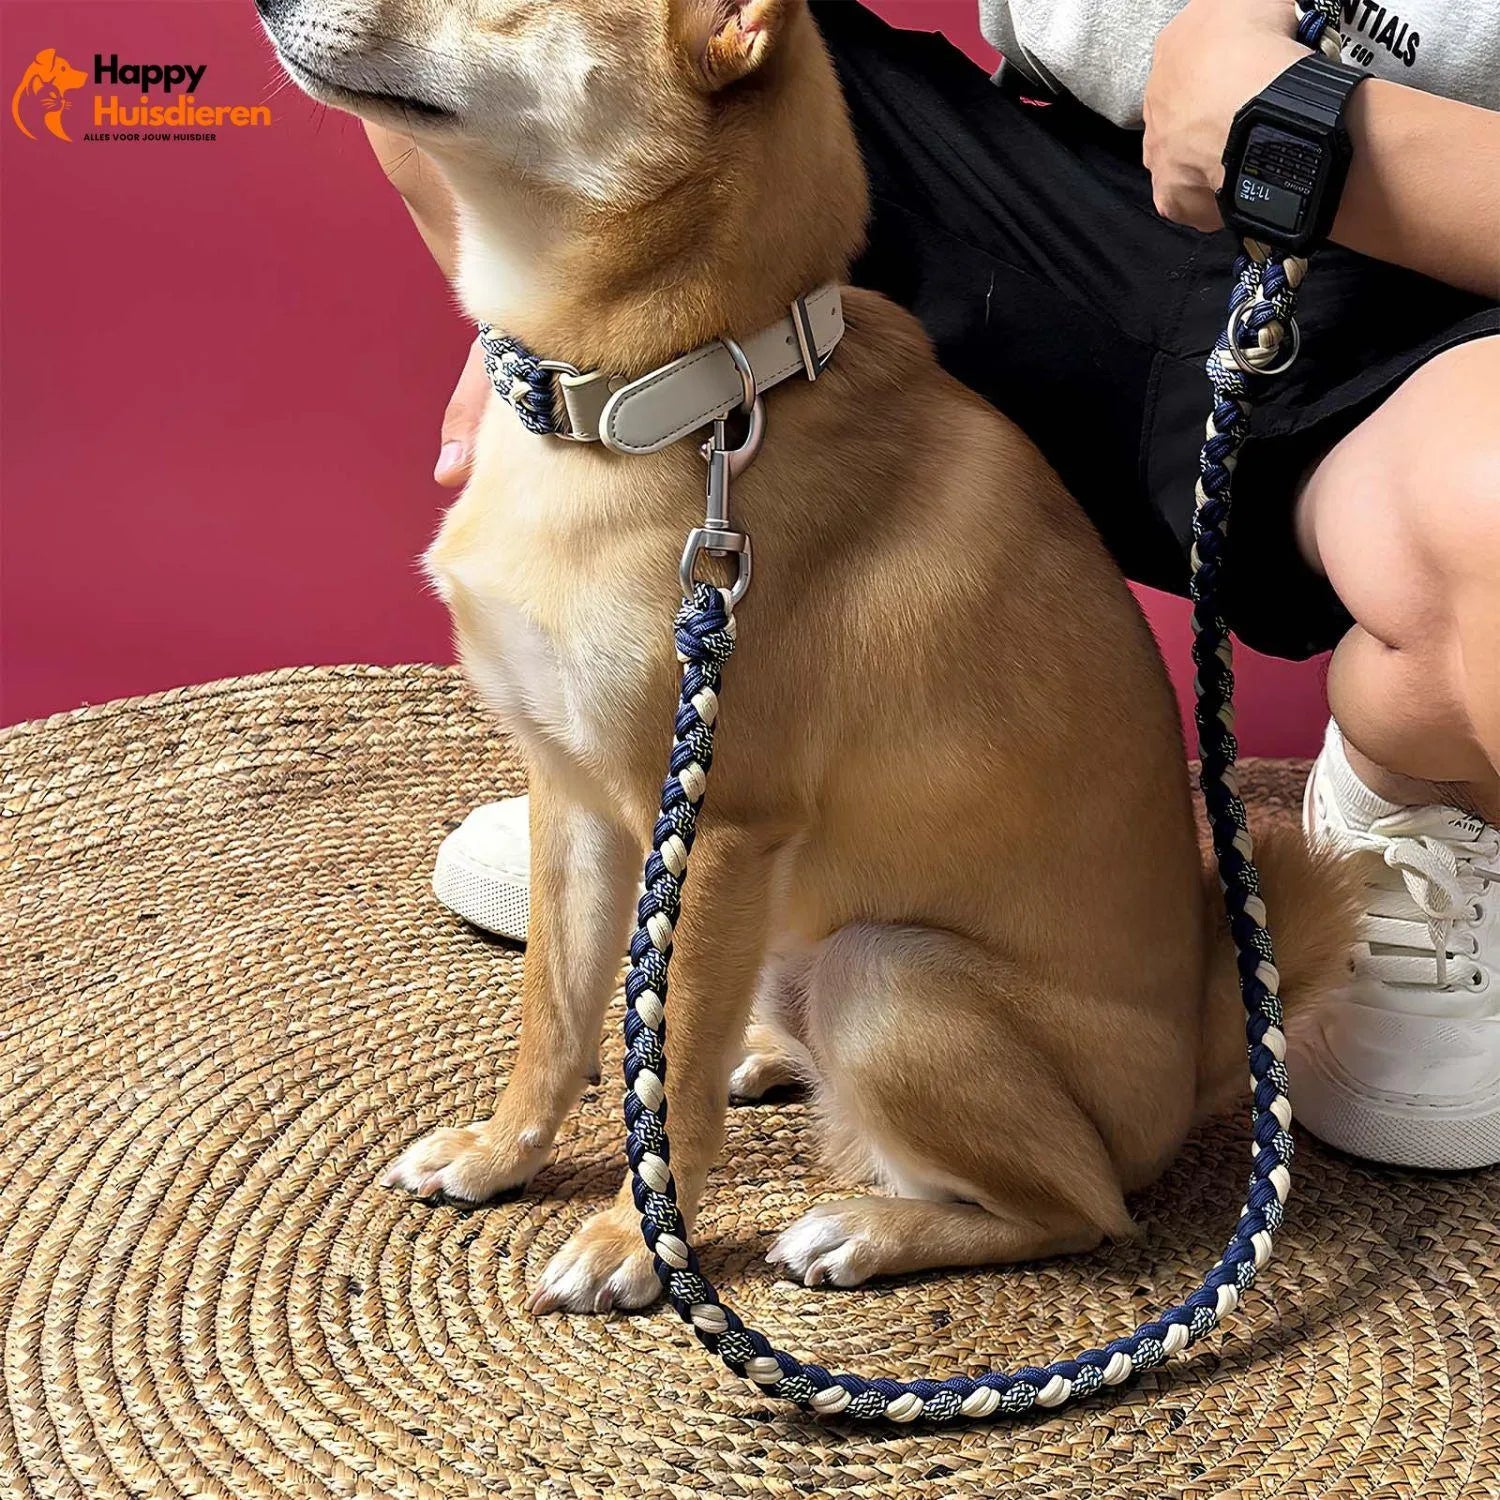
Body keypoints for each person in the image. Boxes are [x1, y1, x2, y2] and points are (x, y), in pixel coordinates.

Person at [366, 0, 1499, 1172]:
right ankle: (648, 722)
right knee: (422, 69)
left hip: (1428, 286)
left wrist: (1314, 123)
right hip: (1032, 171)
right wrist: (584, 298)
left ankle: (1424, 799)